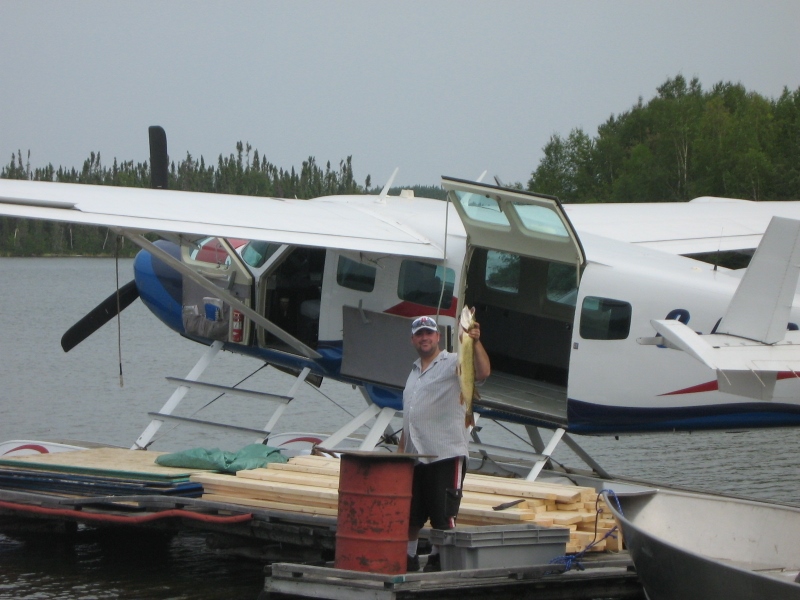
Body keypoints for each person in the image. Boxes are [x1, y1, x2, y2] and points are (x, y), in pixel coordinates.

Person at [400, 314, 490, 572]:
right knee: (411, 515)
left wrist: (474, 341)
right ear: (413, 339)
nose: (424, 338)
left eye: (429, 333)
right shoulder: (414, 370)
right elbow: (410, 416)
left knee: (443, 515)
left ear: (438, 337)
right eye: (419, 334)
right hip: (414, 457)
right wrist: (400, 456)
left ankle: (439, 560)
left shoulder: (453, 360)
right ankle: (408, 558)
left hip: (445, 454)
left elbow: (482, 372)